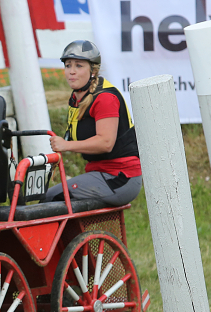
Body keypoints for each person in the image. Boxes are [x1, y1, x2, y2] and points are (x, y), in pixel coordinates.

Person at [45, 40, 142, 206]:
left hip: (120, 178)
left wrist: (65, 146)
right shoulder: (78, 97)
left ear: (93, 70)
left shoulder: (104, 98)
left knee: (51, 197)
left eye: (79, 66)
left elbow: (105, 143)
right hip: (101, 173)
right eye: (68, 66)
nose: (72, 72)